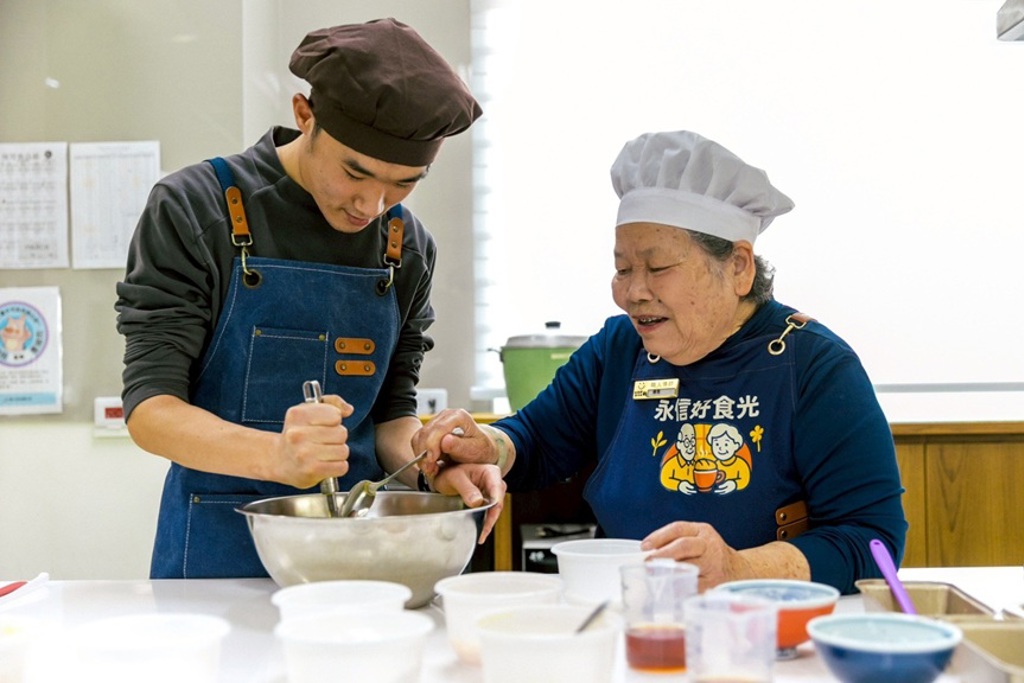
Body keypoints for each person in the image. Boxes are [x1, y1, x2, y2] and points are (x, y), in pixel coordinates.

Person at [415, 130, 907, 595]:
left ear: (738, 266)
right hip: (631, 611)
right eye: (622, 269)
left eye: (658, 268)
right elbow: (536, 440)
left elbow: (872, 540)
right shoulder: (619, 349)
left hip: (760, 624)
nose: (632, 292)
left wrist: (739, 569)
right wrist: (488, 446)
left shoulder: (815, 366)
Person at [115, 18, 497, 579]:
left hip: (360, 555)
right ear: (304, 115)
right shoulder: (195, 208)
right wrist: (277, 456)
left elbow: (390, 418)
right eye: (355, 172)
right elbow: (151, 410)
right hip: (215, 557)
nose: (372, 205)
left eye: (405, 182)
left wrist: (429, 466)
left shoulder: (408, 247)